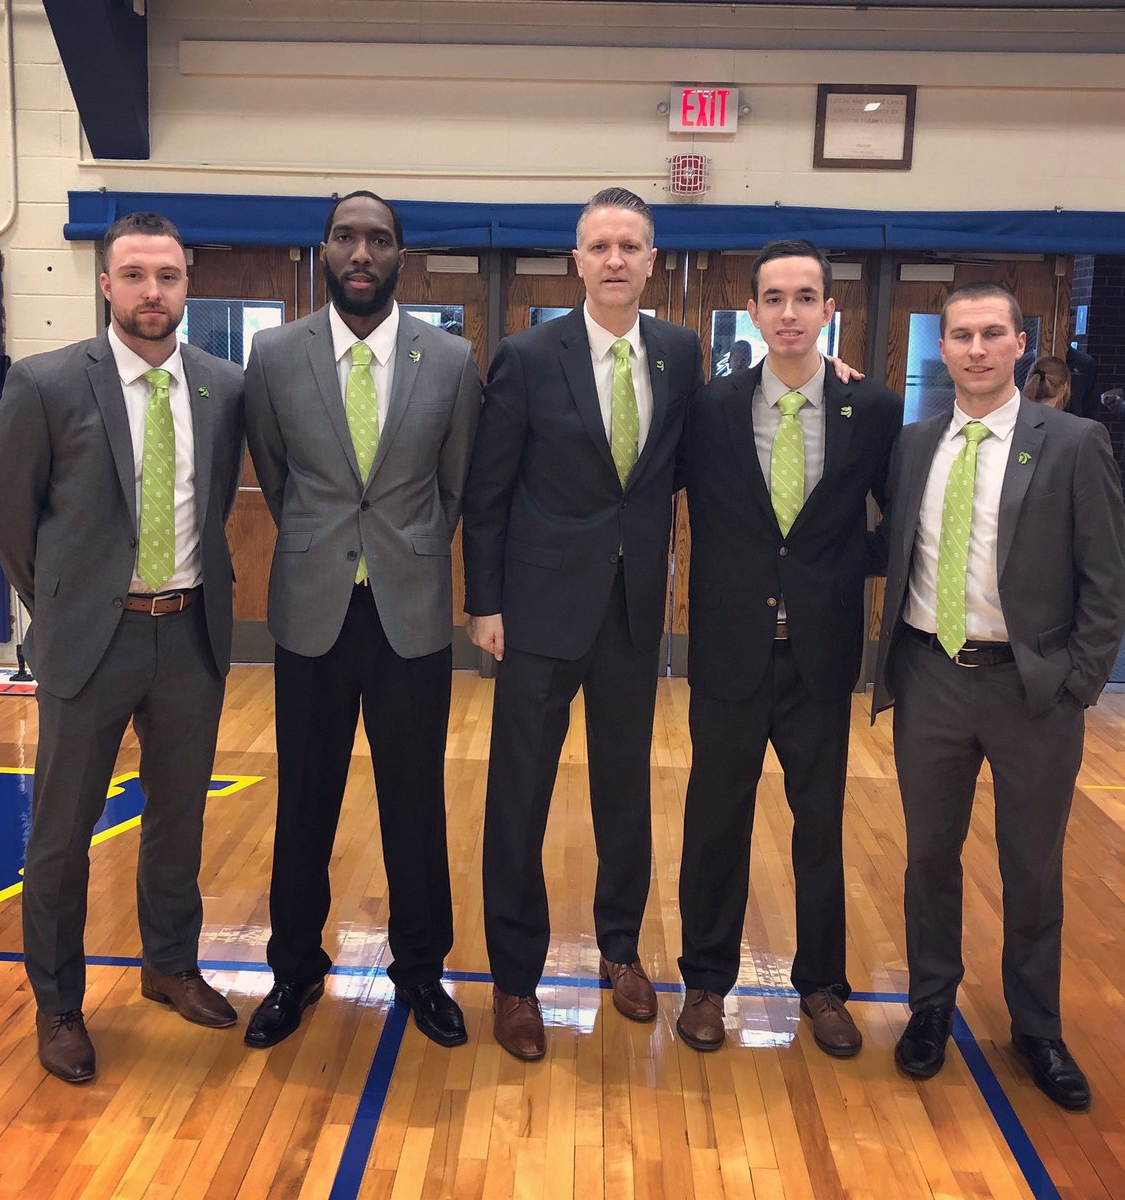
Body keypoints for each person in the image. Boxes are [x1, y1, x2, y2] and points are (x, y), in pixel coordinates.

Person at [0, 211, 245, 1083]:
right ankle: (58, 1005)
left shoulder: (223, 385)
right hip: (93, 637)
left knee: (179, 817)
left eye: (166, 275)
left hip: (191, 632)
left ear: (187, 282)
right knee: (60, 835)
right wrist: (58, 600)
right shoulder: (48, 383)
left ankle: (168, 964)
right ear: (105, 284)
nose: (151, 292)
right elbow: (2, 512)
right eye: (134, 274)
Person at [872, 282, 1125, 1110]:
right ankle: (930, 1005)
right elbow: (887, 546)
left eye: (992, 334)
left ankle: (1038, 1027)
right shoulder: (913, 445)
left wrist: (1079, 682)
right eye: (960, 336)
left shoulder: (1074, 442)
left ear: (1021, 344)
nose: (975, 349)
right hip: (932, 676)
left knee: (1033, 868)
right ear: (941, 348)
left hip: (1033, 689)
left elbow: (1105, 579)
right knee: (928, 858)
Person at [463, 187, 703, 1060]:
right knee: (518, 796)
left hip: (634, 609)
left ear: (650, 262)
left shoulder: (681, 354)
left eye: (629, 245)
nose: (613, 259)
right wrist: (484, 602)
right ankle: (516, 980)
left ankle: (620, 951)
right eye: (598, 245)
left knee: (624, 791)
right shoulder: (529, 357)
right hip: (535, 610)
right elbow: (488, 492)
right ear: (577, 262)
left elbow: (694, 460)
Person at [243, 191, 481, 1051]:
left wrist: (407, 550)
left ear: (399, 258)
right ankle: (294, 968)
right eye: (346, 235)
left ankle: (420, 969)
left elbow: (454, 487)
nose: (361, 251)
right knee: (305, 798)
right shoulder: (273, 356)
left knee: (414, 801)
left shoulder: (450, 360)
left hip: (408, 613)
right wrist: (326, 544)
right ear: (324, 249)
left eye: (378, 239)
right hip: (312, 610)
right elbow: (278, 477)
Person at [676, 240, 902, 1055]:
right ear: (753, 309)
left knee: (820, 828)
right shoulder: (709, 407)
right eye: (774, 298)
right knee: (715, 825)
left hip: (819, 657)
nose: (790, 313)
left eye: (806, 297)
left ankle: (822, 988)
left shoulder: (869, 409)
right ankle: (704, 981)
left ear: (829, 310)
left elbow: (900, 523)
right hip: (731, 654)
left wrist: (839, 570)